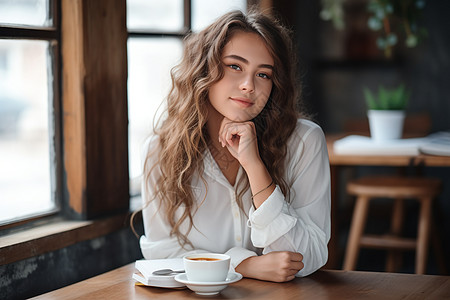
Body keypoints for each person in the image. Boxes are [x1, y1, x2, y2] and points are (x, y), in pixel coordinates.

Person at [136, 8, 331, 282]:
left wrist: (254, 166)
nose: (249, 86)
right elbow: (161, 256)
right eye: (235, 66)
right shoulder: (159, 151)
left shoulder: (304, 141)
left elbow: (304, 257)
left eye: (263, 74)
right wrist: (242, 265)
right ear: (204, 70)